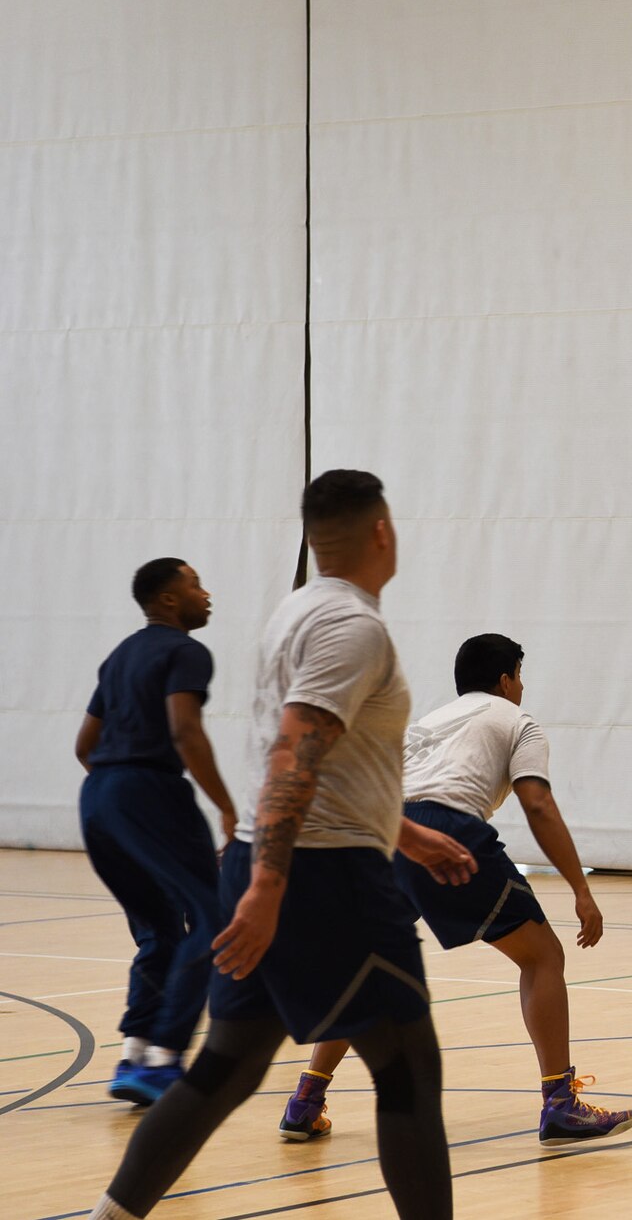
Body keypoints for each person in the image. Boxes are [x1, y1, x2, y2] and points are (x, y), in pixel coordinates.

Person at [87, 471, 476, 1220]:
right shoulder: (352, 628)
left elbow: (327, 760)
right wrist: (271, 887)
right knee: (406, 1070)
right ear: (383, 532)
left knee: (228, 1066)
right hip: (321, 878)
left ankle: (113, 1214)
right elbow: (294, 751)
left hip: (267, 859)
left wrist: (407, 832)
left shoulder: (295, 612)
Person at [277, 632, 632, 1149]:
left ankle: (306, 1101)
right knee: (543, 957)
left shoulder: (426, 724)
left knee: (364, 967)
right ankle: (560, 1104)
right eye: (520, 675)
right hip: (446, 833)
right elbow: (537, 805)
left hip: (383, 836)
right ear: (507, 678)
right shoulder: (519, 721)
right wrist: (581, 889)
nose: (522, 686)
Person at [74, 558, 234, 1106]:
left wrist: (116, 794)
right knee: (214, 918)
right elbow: (185, 731)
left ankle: (136, 1053)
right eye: (195, 584)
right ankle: (166, 1056)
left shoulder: (120, 655)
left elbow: (84, 747)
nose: (206, 593)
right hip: (149, 789)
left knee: (160, 928)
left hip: (97, 801)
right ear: (168, 599)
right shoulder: (186, 651)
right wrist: (228, 808)